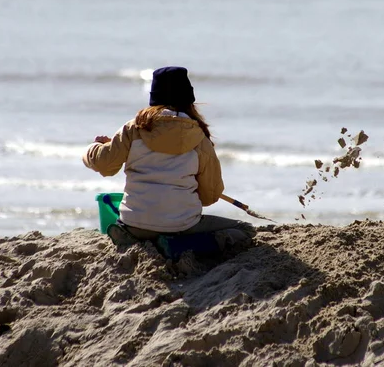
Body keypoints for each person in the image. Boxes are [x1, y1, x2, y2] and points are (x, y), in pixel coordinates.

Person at [82, 66, 255, 257]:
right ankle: (177, 247)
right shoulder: (199, 138)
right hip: (180, 225)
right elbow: (209, 197)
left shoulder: (134, 129)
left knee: (136, 223)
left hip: (134, 222)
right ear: (189, 100)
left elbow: (104, 164)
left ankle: (131, 237)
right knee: (245, 230)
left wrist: (94, 147)